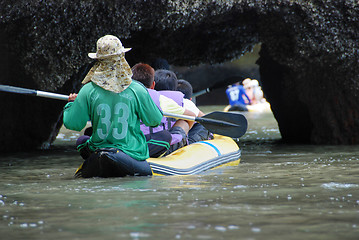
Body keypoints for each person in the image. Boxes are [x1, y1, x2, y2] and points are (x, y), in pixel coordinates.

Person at [63, 35, 163, 178]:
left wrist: (71, 104)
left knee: (83, 142)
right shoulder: (137, 89)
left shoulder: (87, 90)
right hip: (131, 153)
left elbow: (73, 123)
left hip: (98, 150)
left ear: (98, 60)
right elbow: (154, 120)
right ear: (122, 57)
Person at [131, 63, 195, 156]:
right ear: (153, 85)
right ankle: (184, 144)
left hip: (129, 144)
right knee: (181, 124)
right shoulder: (160, 98)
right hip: (155, 147)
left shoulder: (123, 97)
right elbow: (191, 116)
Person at [155, 71, 212, 144]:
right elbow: (206, 119)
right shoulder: (184, 102)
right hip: (172, 143)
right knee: (194, 123)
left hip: (152, 142)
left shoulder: (147, 99)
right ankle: (188, 144)